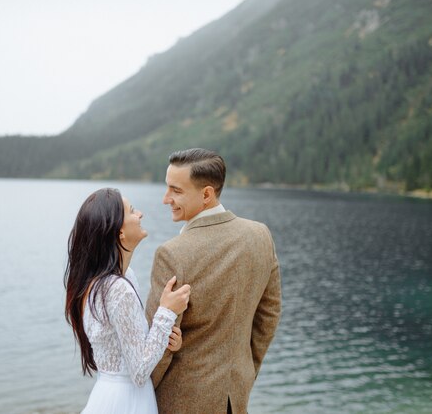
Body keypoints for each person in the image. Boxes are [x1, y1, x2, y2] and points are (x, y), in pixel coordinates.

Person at [146, 148, 282, 414]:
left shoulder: (172, 253)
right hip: (236, 396)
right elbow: (269, 315)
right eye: (167, 188)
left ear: (206, 194)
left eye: (176, 191)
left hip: (180, 400)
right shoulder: (260, 235)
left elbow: (157, 344)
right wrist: (243, 371)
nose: (166, 199)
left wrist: (141, 394)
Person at [64, 188, 191, 414]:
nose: (140, 214)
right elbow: (140, 371)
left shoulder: (115, 279)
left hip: (111, 393)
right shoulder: (118, 288)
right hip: (126, 401)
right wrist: (166, 313)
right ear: (119, 233)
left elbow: (129, 347)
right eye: (132, 211)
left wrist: (167, 340)